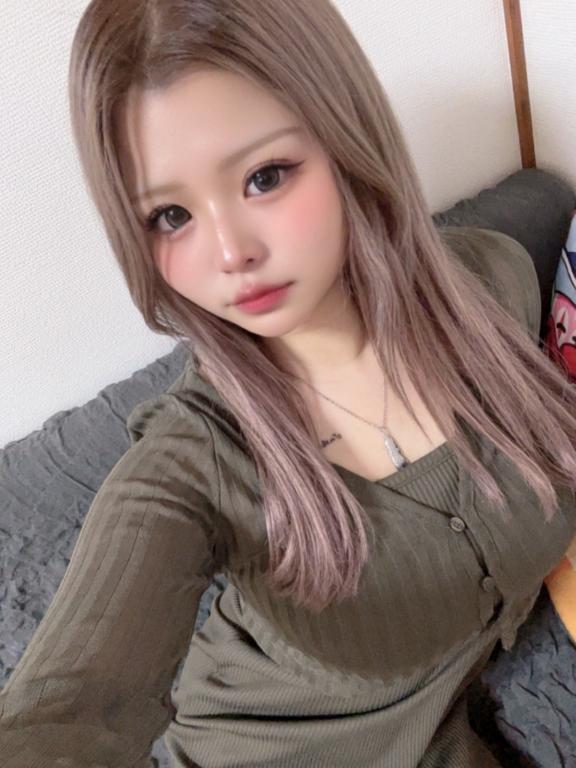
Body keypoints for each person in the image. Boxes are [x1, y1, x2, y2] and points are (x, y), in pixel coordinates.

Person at [1, 1, 575, 766]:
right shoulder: (194, 462)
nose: (230, 252)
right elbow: (71, 704)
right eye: (169, 216)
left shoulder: (496, 282)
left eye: (264, 177)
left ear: (346, 137)